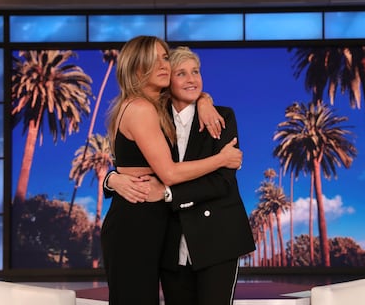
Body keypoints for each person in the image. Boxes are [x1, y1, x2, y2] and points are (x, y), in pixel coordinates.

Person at [105, 46, 256, 305]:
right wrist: (112, 180)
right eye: (181, 73)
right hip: (170, 243)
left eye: (195, 72)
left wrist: (166, 193)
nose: (191, 79)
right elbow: (134, 163)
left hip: (217, 239)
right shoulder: (155, 118)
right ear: (166, 81)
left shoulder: (221, 117)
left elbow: (222, 181)